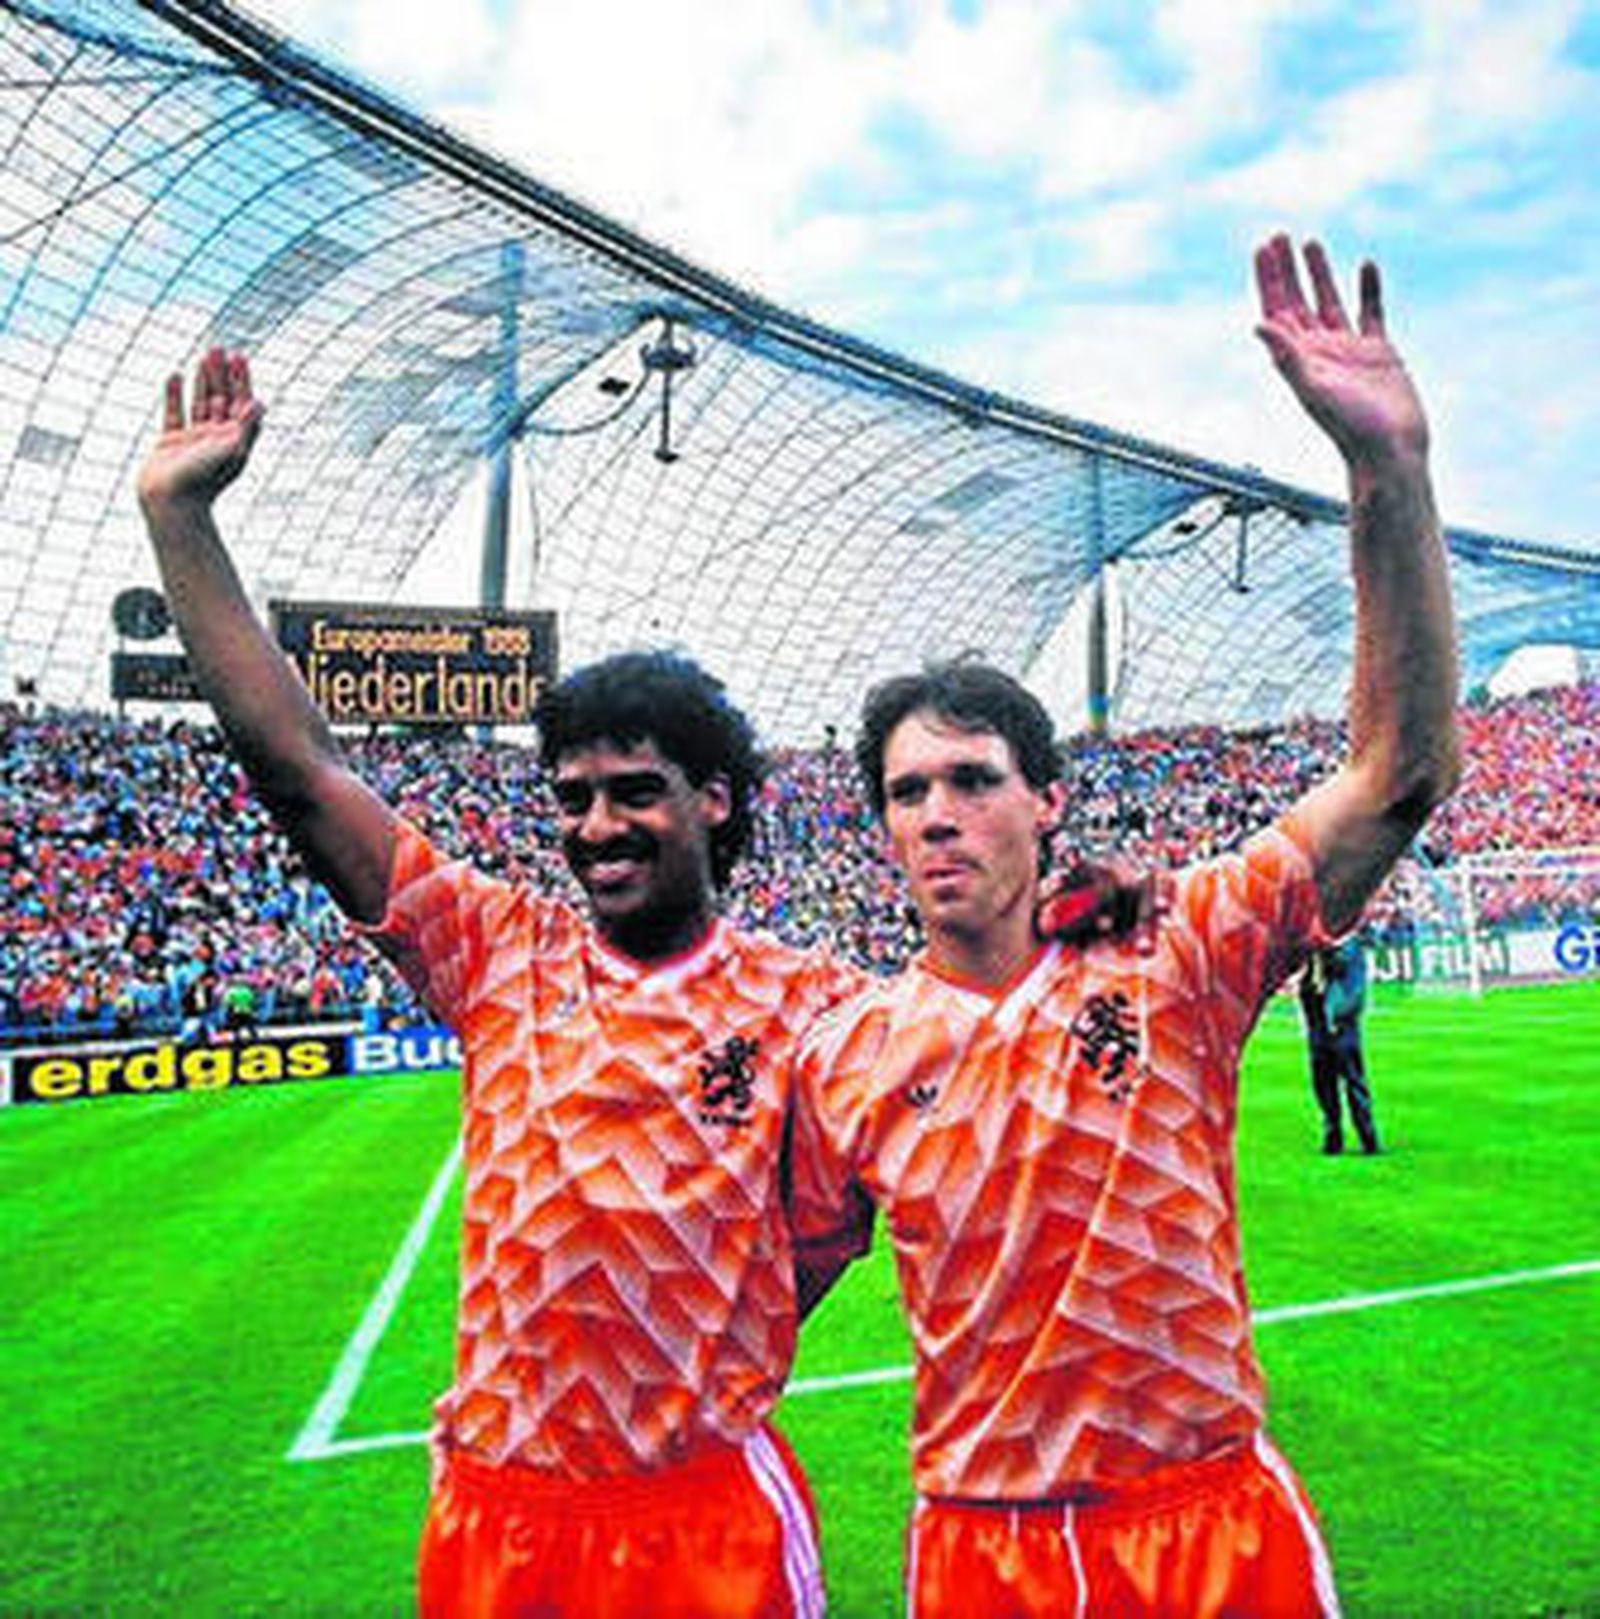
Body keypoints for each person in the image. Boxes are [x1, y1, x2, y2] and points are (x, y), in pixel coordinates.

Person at [135, 351, 1151, 1617]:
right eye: (572, 798)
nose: (597, 824)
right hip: (498, 1517)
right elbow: (302, 774)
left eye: (634, 791)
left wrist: (1097, 897)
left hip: (702, 1520)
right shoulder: (496, 951)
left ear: (712, 799)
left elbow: (991, 1023)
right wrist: (181, 517)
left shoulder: (820, 1009)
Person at [788, 235, 1461, 1618]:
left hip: (1204, 1524)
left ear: (1046, 800)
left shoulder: (1178, 949)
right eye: (908, 790)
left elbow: (1399, 773)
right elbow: (753, 1297)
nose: (938, 813)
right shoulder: (846, 1052)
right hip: (983, 1550)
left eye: (973, 779)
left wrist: (1386, 475)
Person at [1298, 934, 1378, 1154]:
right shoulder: (1315, 949)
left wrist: (1321, 947)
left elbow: (1340, 965)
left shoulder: (1349, 944)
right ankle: (1332, 1135)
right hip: (1318, 1022)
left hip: (1342, 1023)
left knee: (1353, 1080)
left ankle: (1368, 1137)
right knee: (1323, 1082)